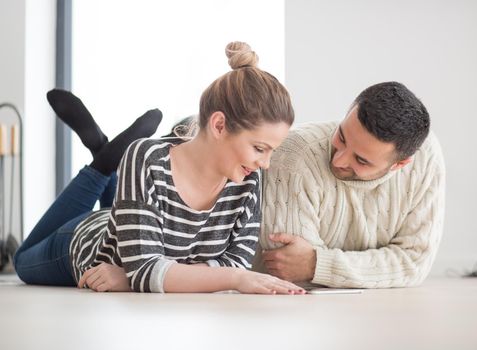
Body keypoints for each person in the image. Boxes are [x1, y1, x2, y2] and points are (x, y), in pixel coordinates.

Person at [14, 41, 305, 295]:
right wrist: (145, 275)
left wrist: (139, 277)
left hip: (133, 223)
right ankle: (102, 167)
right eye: (259, 148)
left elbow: (233, 260)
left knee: (128, 219)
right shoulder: (148, 159)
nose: (265, 164)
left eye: (271, 151)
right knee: (22, 261)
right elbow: (149, 269)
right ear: (219, 125)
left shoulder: (248, 179)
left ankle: (105, 158)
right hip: (88, 241)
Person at [255, 81, 445, 289]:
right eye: (342, 137)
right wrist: (372, 270)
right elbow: (288, 267)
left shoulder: (425, 158)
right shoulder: (295, 154)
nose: (339, 160)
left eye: (361, 160)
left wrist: (317, 264)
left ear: (399, 164)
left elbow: (413, 262)